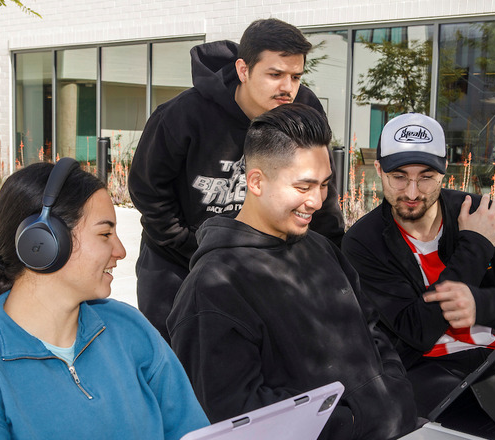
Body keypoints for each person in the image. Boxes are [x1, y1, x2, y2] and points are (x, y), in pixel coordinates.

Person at [168, 104, 417, 440]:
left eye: (324, 184)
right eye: (303, 187)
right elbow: (232, 414)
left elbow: (372, 331)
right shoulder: (212, 287)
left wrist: (394, 395)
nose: (316, 200)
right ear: (256, 181)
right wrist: (353, 423)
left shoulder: (321, 247)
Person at [0, 159, 209, 439]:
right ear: (43, 243)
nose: (120, 250)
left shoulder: (130, 329)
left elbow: (194, 433)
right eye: (105, 233)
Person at [129, 18, 345, 341]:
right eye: (275, 75)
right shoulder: (183, 115)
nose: (287, 87)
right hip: (176, 264)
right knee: (172, 363)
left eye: (296, 76)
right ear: (243, 70)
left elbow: (318, 186)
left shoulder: (303, 109)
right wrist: (190, 246)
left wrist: (332, 257)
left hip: (262, 261)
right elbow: (147, 190)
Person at [342, 113, 495, 417]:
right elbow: (417, 330)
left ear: (444, 172)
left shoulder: (481, 214)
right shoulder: (364, 242)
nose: (412, 192)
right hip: (425, 374)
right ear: (378, 170)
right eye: (399, 176)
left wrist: (481, 304)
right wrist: (476, 246)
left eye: (426, 176)